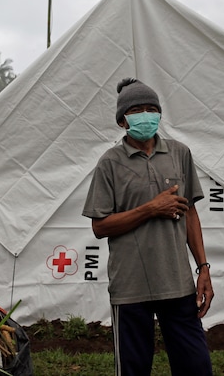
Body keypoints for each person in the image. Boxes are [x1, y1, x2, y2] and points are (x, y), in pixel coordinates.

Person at [82, 78, 214, 376]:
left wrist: (203, 268)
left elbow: (190, 213)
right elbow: (100, 226)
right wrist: (150, 209)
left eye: (151, 108)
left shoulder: (180, 153)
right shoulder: (109, 163)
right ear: (122, 121)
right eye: (137, 110)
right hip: (130, 287)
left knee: (197, 367)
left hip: (177, 282)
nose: (146, 115)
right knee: (134, 370)